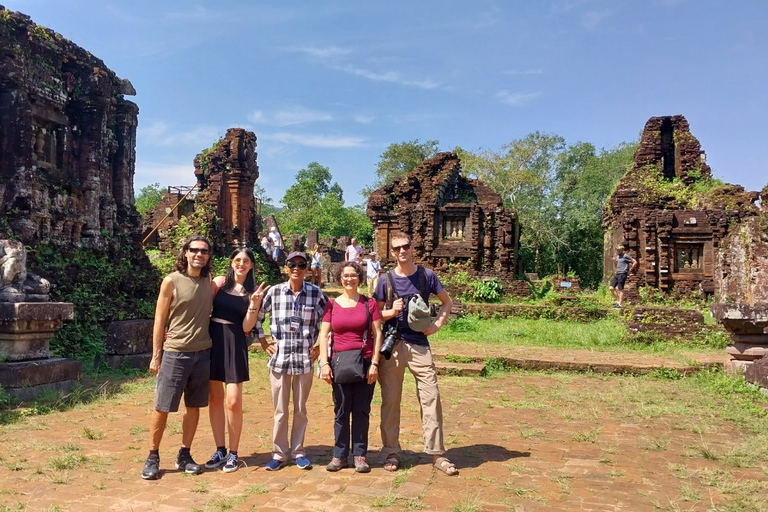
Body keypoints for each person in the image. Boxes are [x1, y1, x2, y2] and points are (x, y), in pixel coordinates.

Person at [373, 232, 458, 476]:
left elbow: (447, 302)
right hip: (394, 345)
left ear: (413, 248)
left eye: (406, 247)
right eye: (397, 248)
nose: (402, 251)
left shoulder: (426, 276)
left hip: (420, 344)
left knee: (431, 397)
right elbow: (375, 314)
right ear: (392, 252)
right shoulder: (384, 280)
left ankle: (436, 454)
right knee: (391, 401)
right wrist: (391, 311)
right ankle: (391, 450)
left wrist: (437, 325)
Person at [141, 235, 216, 480]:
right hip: (175, 352)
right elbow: (159, 320)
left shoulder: (210, 282)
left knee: (194, 407)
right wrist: (156, 356)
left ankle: (185, 453)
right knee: (163, 406)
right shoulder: (171, 281)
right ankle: (153, 455)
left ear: (208, 256)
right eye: (194, 250)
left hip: (202, 353)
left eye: (204, 251)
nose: (199, 255)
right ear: (185, 253)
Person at [256, 251, 328, 471]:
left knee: (300, 409)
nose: (296, 268)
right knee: (280, 410)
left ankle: (297, 451)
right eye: (292, 264)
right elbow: (258, 316)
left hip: (304, 358)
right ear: (286, 267)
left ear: (307, 269)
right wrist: (263, 341)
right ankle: (279, 453)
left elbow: (329, 321)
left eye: (301, 264)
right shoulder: (274, 292)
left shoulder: (316, 294)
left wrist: (319, 345)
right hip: (279, 359)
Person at [205, 248, 268, 473]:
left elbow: (246, 327)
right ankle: (220, 449)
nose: (241, 264)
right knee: (214, 397)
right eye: (238, 260)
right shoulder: (219, 283)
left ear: (251, 265)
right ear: (231, 262)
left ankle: (233, 452)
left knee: (233, 401)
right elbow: (204, 310)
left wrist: (253, 305)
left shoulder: (253, 291)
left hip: (234, 342)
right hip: (213, 339)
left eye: (246, 261)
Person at [317, 261, 383, 473]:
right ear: (340, 278)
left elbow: (378, 333)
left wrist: (374, 363)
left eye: (353, 275)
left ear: (359, 278)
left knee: (361, 410)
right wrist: (324, 363)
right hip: (339, 363)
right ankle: (340, 454)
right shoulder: (332, 305)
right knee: (342, 409)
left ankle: (360, 454)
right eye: (345, 275)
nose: (349, 279)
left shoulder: (368, 304)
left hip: (364, 361)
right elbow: (324, 334)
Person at [610, 243, 637, 308]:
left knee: (620, 289)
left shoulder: (625, 256)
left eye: (619, 250)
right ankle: (618, 301)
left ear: (622, 250)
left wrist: (630, 270)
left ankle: (620, 304)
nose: (617, 251)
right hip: (617, 273)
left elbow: (635, 262)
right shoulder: (617, 257)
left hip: (622, 274)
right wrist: (614, 263)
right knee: (611, 288)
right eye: (617, 250)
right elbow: (616, 264)